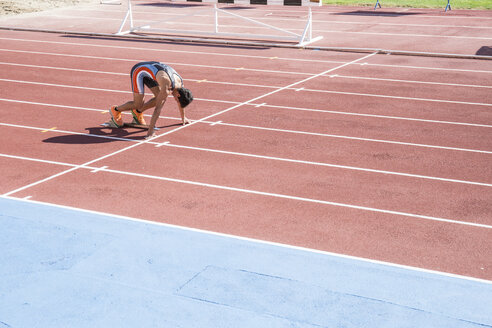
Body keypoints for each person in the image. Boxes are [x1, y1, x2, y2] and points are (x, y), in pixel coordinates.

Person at [109, 61, 193, 139]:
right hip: (139, 71)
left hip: (154, 74)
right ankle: (116, 110)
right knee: (138, 104)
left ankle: (137, 112)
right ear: (178, 95)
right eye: (177, 100)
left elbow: (181, 103)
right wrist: (150, 131)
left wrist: (183, 117)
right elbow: (157, 109)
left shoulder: (180, 85)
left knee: (159, 98)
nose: (176, 101)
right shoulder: (167, 85)